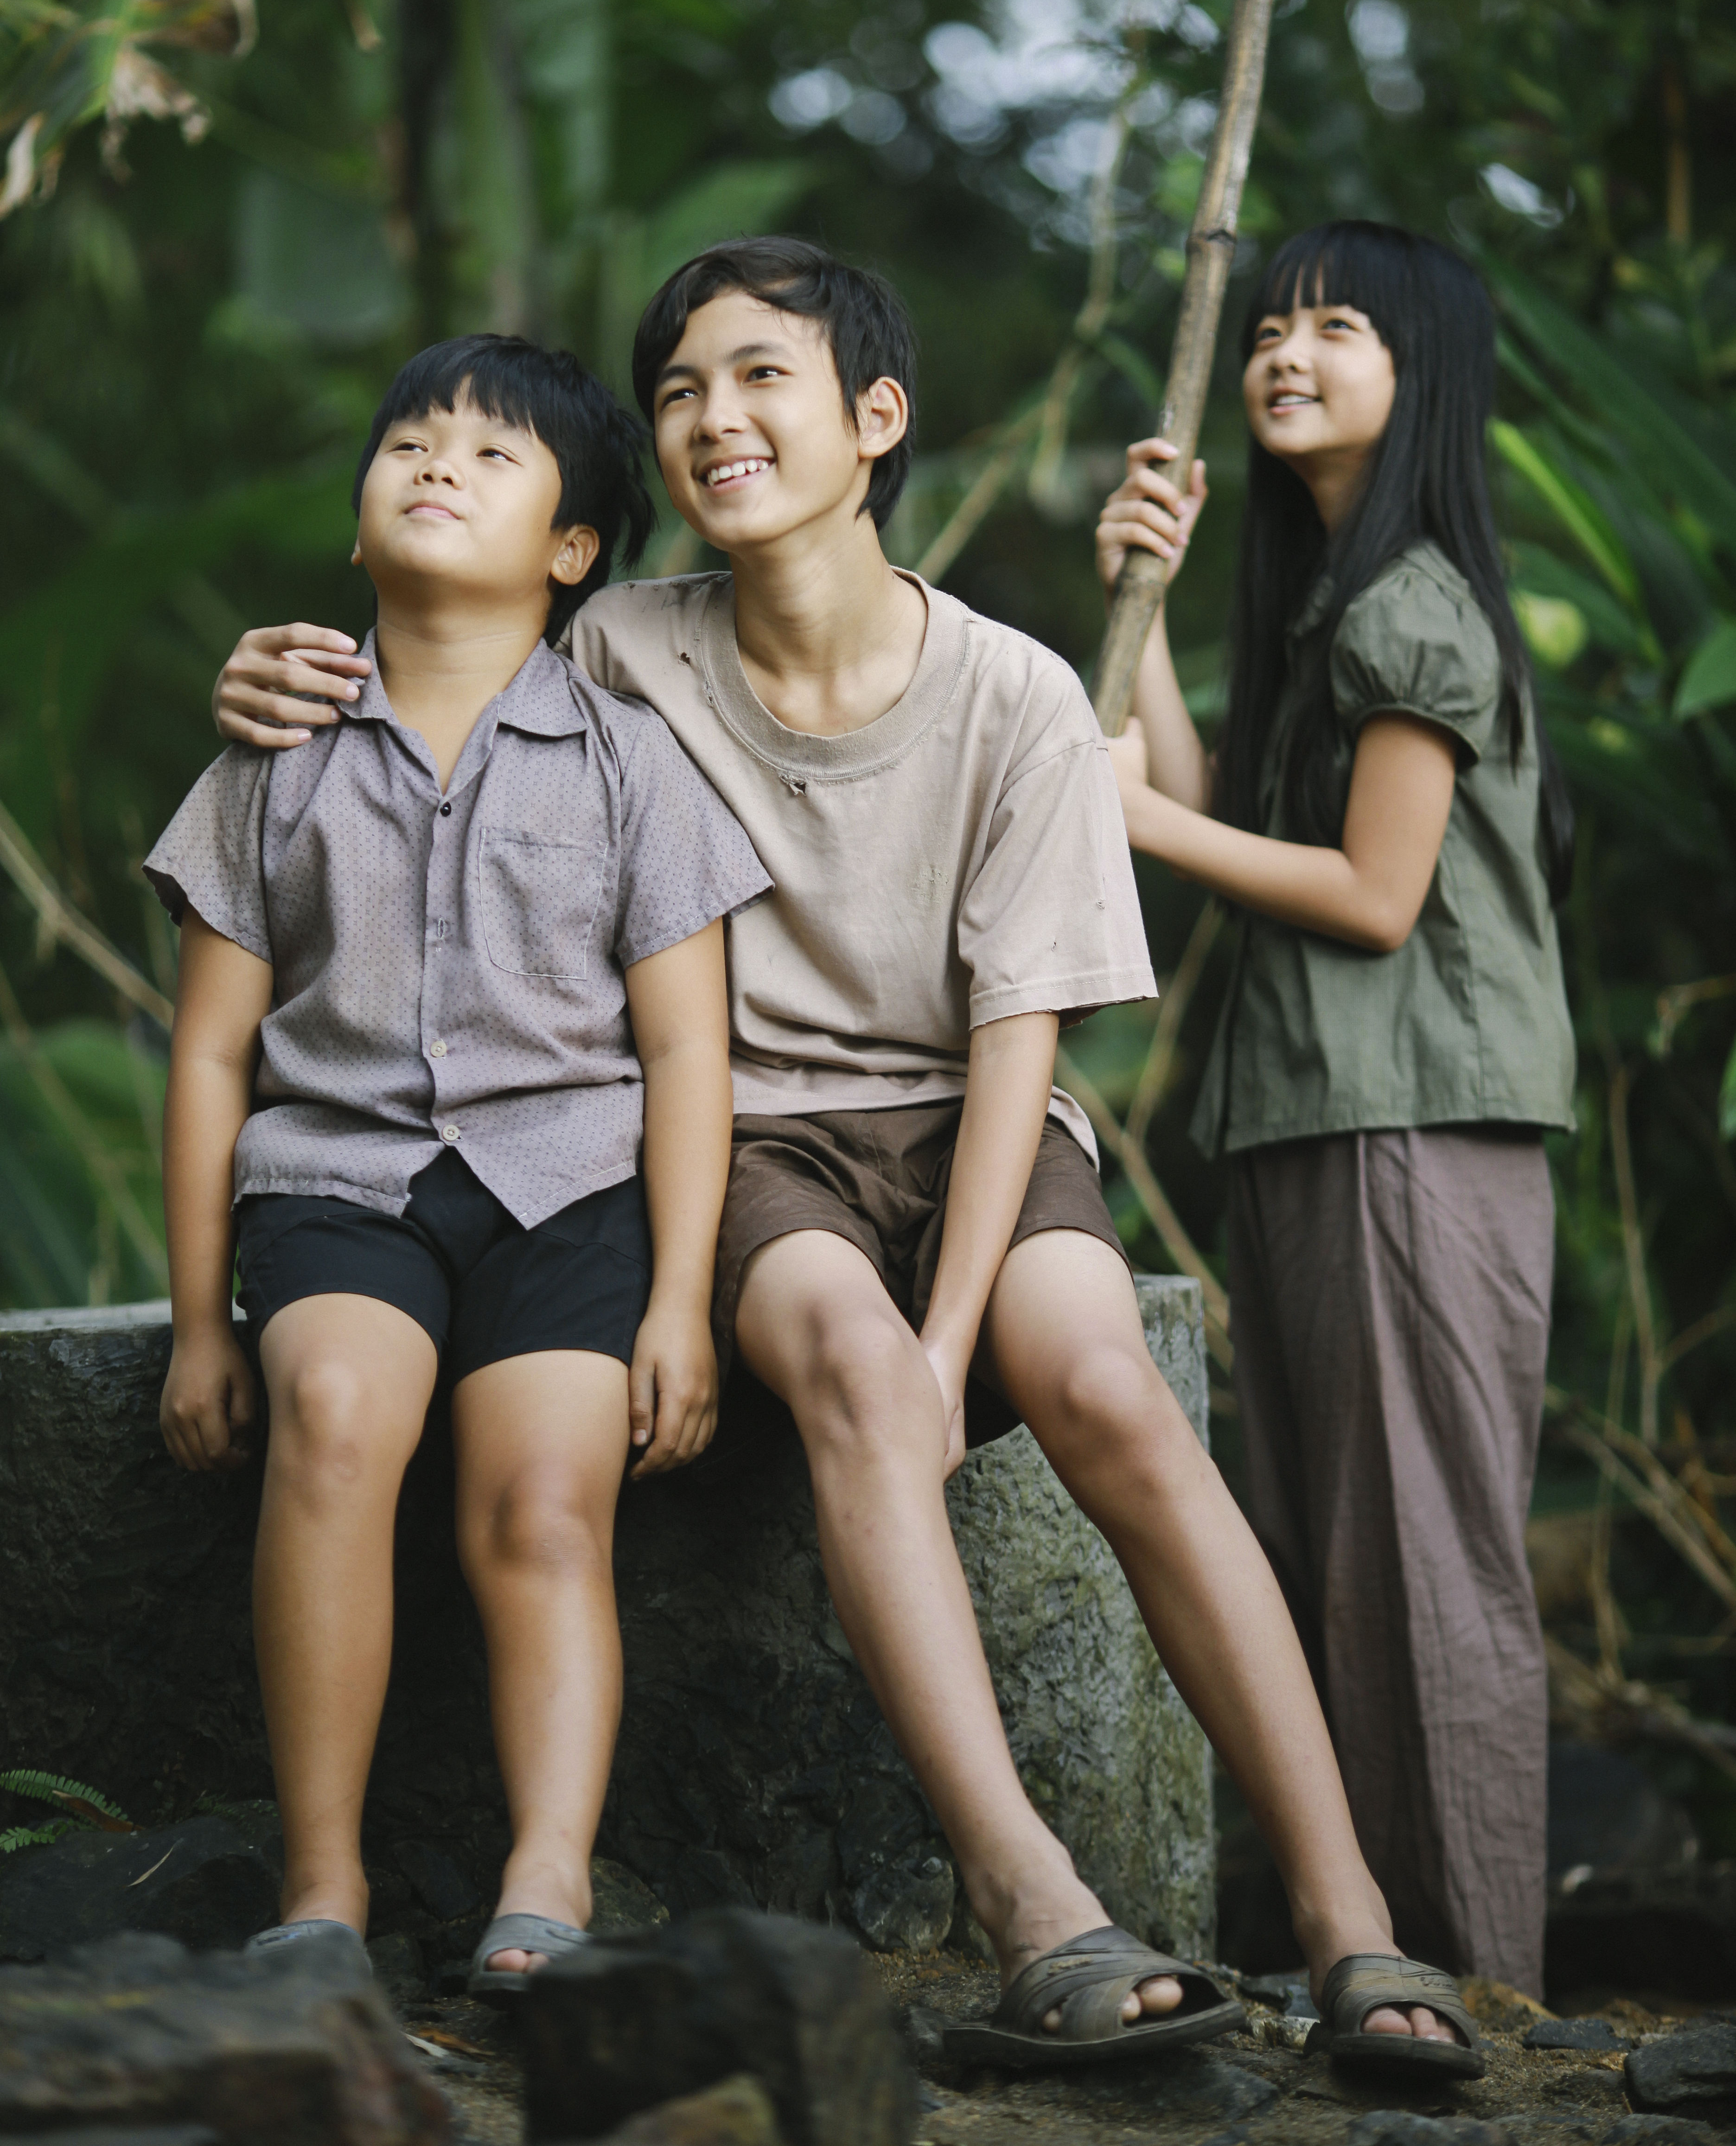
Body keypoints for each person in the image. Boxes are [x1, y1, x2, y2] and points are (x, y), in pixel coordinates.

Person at [212, 238, 1481, 2076]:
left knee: (1110, 1383)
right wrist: (280, 670)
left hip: (978, 1121)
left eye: (759, 377)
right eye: (678, 391)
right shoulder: (628, 644)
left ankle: (1353, 1926)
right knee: (859, 1373)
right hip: (754, 1138)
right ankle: (1029, 1902)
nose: (713, 418)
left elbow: (1016, 1047)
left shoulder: (1019, 696)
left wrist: (965, 1328)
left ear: (874, 418)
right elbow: (442, 654)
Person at [151, 335, 769, 2002]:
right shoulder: (271, 751)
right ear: (357, 526)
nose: (439, 467)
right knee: (338, 1421)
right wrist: (206, 1325)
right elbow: (214, 1050)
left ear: (574, 550)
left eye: (495, 458)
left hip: (567, 1190)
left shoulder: (637, 762)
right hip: (337, 1182)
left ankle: (546, 1884)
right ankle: (324, 1890)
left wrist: (687, 1306)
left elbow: (687, 1053)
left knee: (545, 1499)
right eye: (411, 446)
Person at [1094, 219, 1575, 2001]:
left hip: (1412, 1130)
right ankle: (1375, 1960)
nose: (1285, 349)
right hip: (1314, 1123)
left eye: (1339, 326)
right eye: (1271, 325)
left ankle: (1485, 1985)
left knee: (1423, 1573)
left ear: (1423, 374)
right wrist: (1145, 599)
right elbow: (1228, 808)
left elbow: (1368, 893)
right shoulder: (1326, 601)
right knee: (1327, 1562)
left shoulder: (1415, 601)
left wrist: (1134, 820)